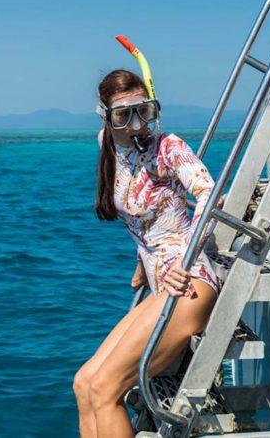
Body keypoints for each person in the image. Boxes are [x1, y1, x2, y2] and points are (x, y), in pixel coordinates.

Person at [72, 69, 218, 438]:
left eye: (145, 112)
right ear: (105, 116)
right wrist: (141, 263)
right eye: (124, 115)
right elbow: (147, 218)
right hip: (159, 288)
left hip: (188, 285)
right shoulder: (107, 142)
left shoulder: (167, 146)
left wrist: (183, 259)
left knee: (105, 390)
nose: (137, 125)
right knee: (84, 383)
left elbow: (209, 195)